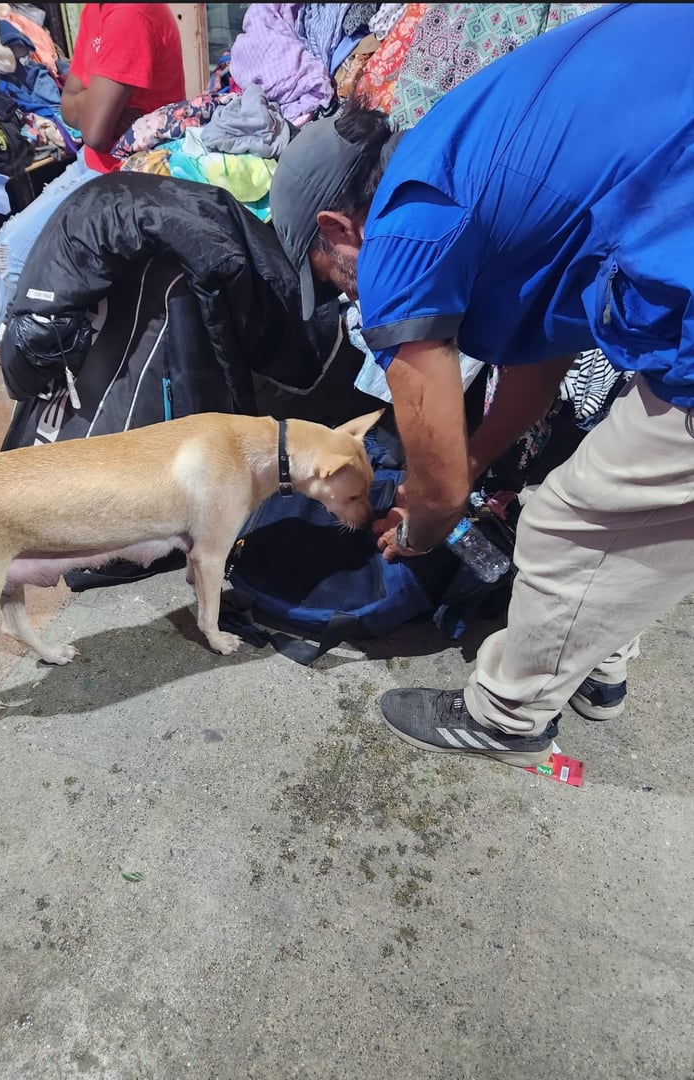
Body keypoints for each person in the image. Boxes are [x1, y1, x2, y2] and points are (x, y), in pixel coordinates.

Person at [269, 2, 694, 768]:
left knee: (571, 520)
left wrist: (423, 526)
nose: (353, 302)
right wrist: (477, 458)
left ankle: (509, 715)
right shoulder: (450, 149)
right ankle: (597, 668)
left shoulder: (399, 236)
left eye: (333, 281)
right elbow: (543, 358)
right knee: (645, 502)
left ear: (338, 230)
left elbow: (435, 495)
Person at [0, 3, 185, 367]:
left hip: (127, 170)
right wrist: (95, 105)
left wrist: (94, 107)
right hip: (95, 162)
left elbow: (93, 132)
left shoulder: (129, 14)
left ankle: (11, 347)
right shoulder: (97, 12)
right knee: (15, 246)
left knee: (12, 250)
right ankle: (27, 339)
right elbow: (69, 106)